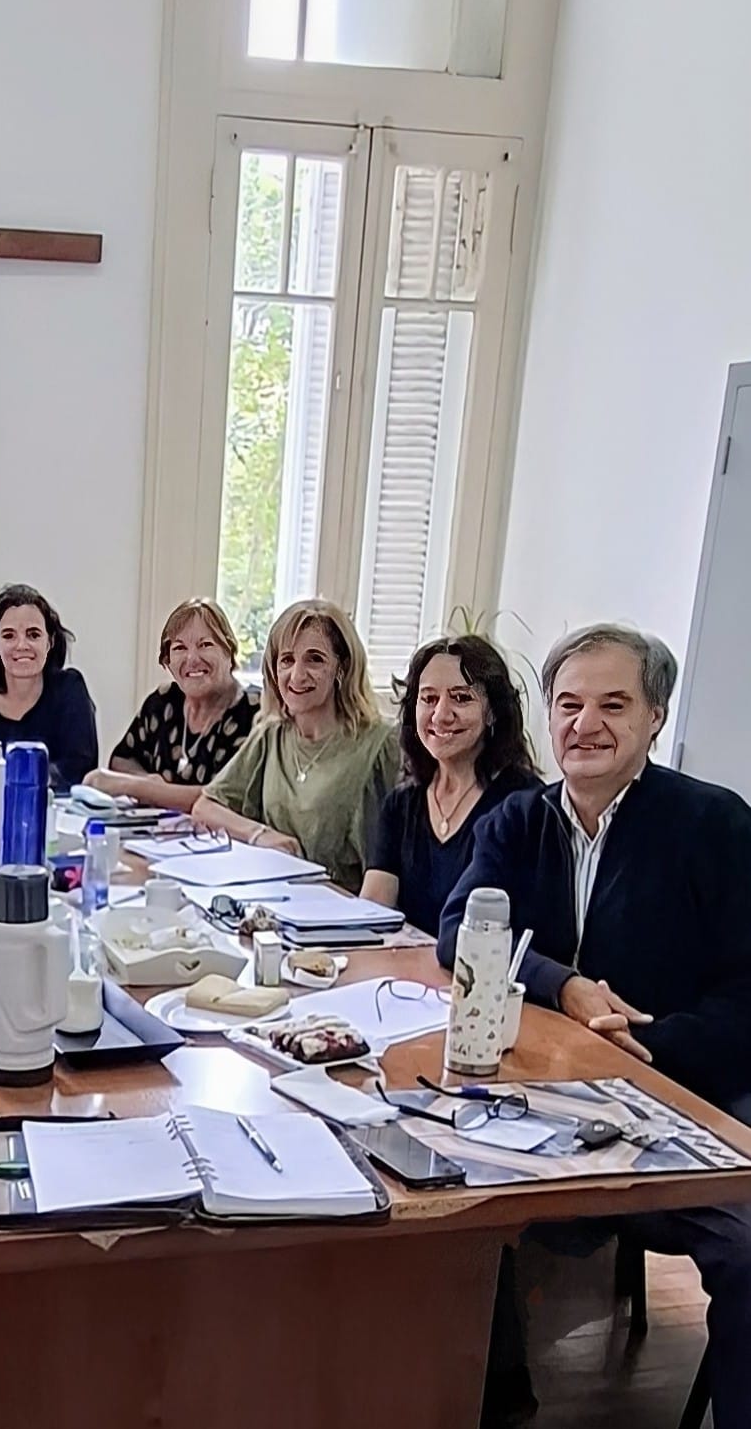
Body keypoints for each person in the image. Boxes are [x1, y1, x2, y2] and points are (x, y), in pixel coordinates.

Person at [438, 625, 751, 1428]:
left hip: (681, 1097)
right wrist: (565, 986)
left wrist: (653, 1047)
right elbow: (455, 930)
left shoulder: (715, 825)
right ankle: (498, 1402)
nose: (586, 725)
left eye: (614, 704)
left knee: (750, 1248)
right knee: (443, 1201)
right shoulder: (518, 821)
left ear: (656, 715)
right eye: (569, 704)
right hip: (534, 1099)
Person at [192, 599, 397, 893]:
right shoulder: (271, 734)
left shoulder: (380, 744)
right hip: (269, 899)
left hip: (341, 910)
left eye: (314, 659)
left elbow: (391, 865)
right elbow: (205, 807)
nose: (297, 675)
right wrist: (260, 835)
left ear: (342, 668)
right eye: (286, 660)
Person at [359, 635, 541, 935]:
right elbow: (372, 913)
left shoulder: (523, 804)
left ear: (493, 711)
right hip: (404, 974)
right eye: (428, 699)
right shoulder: (400, 805)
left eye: (461, 697)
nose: (441, 715)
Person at [84, 597, 257, 811]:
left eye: (205, 645)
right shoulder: (163, 701)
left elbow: (222, 797)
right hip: (159, 837)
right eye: (179, 648)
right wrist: (149, 783)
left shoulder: (254, 712)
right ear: (167, 662)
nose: (192, 658)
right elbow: (122, 759)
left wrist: (143, 788)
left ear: (229, 651)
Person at [0, 584, 98, 790]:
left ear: (50, 642)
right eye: (9, 636)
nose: (22, 645)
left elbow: (79, 771)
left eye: (33, 634)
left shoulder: (70, 689)